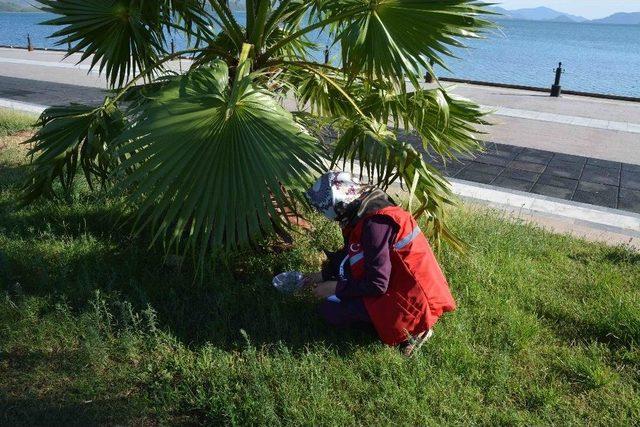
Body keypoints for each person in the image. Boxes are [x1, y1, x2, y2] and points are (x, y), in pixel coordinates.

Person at [305, 171, 456, 356]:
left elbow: (377, 284)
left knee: (330, 309)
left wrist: (335, 288)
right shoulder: (369, 209)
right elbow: (353, 254)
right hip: (406, 286)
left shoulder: (374, 226)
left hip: (412, 300)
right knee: (337, 300)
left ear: (340, 205)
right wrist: (322, 276)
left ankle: (415, 330)